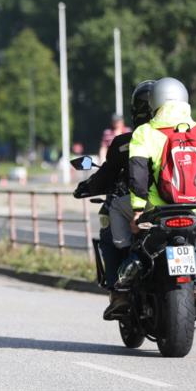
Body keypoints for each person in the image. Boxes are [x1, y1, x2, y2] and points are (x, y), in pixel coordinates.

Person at [115, 76, 196, 292]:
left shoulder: (145, 133)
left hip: (156, 208)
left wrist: (138, 209)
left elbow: (138, 174)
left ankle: (131, 265)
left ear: (154, 102)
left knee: (117, 209)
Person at [74, 80, 154, 320]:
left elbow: (107, 173)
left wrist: (86, 187)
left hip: (135, 204)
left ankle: (119, 292)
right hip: (181, 204)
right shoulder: (186, 137)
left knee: (110, 238)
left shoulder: (125, 143)